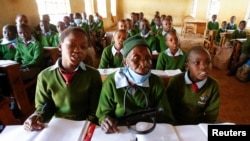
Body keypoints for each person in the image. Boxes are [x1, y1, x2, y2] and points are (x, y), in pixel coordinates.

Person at [23, 27, 102, 131]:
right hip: (57, 126)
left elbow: (95, 109)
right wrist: (38, 116)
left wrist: (85, 127)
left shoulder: (93, 75)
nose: (78, 50)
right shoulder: (45, 76)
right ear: (60, 46)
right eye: (72, 45)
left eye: (83, 47)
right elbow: (43, 106)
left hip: (84, 126)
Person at [96, 35, 175, 133]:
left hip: (149, 132)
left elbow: (166, 116)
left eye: (148, 58)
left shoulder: (155, 82)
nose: (143, 63)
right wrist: (105, 121)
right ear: (125, 62)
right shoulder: (112, 82)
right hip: (120, 132)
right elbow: (102, 114)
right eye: (136, 58)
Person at [166, 46, 220, 125]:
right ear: (187, 66)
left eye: (208, 62)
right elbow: (168, 109)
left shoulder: (213, 85)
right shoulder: (176, 81)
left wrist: (200, 129)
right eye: (197, 63)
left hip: (198, 125)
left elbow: (211, 115)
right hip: (176, 123)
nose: (204, 67)